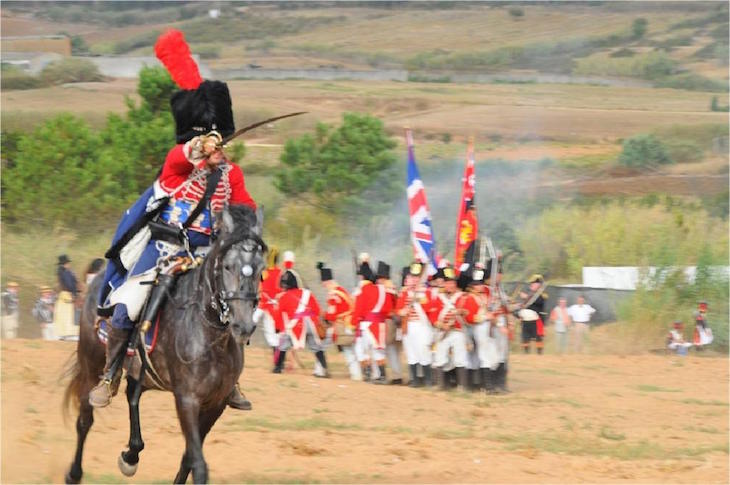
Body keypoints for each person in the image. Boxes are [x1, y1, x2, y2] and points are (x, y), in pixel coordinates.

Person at [90, 30, 257, 409]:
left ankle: (229, 380)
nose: (220, 150)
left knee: (235, 304)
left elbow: (245, 207)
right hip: (166, 249)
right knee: (128, 305)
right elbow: (181, 156)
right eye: (213, 142)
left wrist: (246, 232)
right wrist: (198, 146)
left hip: (210, 255)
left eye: (221, 141)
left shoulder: (233, 175)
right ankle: (111, 374)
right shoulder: (178, 168)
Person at [275, 270, 328, 377]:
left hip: (296, 325)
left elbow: (279, 315)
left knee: (284, 345)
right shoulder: (307, 293)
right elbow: (317, 310)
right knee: (316, 348)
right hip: (311, 324)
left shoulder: (284, 297)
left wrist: (277, 328)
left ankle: (278, 368)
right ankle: (324, 368)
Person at [352, 257, 393, 384]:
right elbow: (388, 308)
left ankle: (368, 374)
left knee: (362, 349)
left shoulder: (363, 289)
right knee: (378, 350)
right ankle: (382, 376)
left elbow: (359, 308)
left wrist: (353, 323)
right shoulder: (384, 290)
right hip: (380, 323)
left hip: (367, 324)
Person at [430, 264, 469, 391]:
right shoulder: (438, 299)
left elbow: (468, 314)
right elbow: (433, 317)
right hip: (443, 332)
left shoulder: (462, 298)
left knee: (460, 357)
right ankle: (441, 385)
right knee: (440, 356)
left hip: (458, 331)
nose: (450, 286)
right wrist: (442, 325)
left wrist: (462, 312)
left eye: (452, 283)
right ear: (444, 285)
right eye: (448, 283)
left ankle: (462, 385)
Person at [395, 262, 434, 387]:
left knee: (423, 351)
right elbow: (398, 309)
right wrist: (402, 311)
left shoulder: (426, 292)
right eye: (412, 277)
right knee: (411, 352)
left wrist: (418, 299)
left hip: (421, 326)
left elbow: (429, 309)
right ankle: (415, 379)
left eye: (417, 277)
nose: (414, 279)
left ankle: (427, 379)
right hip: (408, 326)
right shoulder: (404, 293)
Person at [318, 262, 358, 380]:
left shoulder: (333, 295)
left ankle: (320, 370)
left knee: (322, 346)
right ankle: (356, 374)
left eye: (324, 283)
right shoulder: (342, 290)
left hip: (341, 325)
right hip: (349, 323)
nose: (324, 285)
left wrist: (323, 314)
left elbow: (331, 315)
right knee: (351, 351)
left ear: (327, 282)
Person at [376, 262, 401, 384]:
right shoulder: (391, 287)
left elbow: (386, 308)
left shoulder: (386, 289)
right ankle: (396, 375)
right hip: (390, 320)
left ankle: (394, 376)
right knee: (391, 349)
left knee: (387, 348)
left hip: (387, 320)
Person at [518, 274, 547, 354]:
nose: (531, 284)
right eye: (532, 283)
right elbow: (524, 305)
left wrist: (526, 297)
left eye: (534, 283)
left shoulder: (541, 294)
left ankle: (539, 355)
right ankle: (526, 354)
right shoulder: (529, 294)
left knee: (538, 338)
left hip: (536, 319)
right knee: (525, 338)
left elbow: (539, 301)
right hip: (526, 320)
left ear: (538, 284)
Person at [54, 254, 79, 339]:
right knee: (68, 314)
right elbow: (70, 284)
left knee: (62, 314)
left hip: (62, 294)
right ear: (65, 263)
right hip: (67, 294)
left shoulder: (60, 272)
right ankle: (67, 333)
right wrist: (74, 293)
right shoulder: (66, 272)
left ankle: (62, 333)